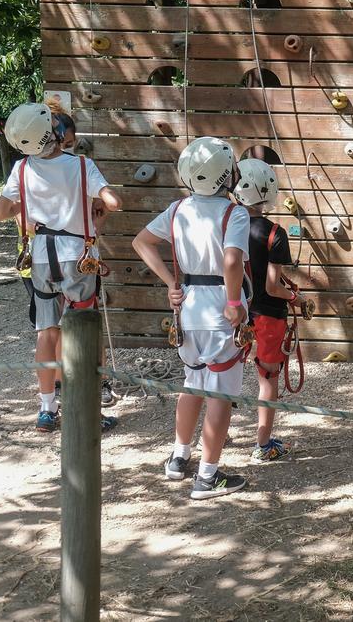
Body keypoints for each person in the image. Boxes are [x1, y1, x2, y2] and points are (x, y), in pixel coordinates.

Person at [0, 102, 122, 434]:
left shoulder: (21, 169)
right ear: (53, 132)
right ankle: (89, 407)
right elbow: (112, 202)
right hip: (76, 256)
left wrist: (32, 206)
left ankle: (47, 408)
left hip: (41, 255)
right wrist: (95, 206)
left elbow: (0, 212)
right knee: (84, 329)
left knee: (47, 333)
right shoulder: (80, 164)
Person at [132, 136, 251, 500]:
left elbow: (141, 242)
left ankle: (178, 458)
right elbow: (232, 260)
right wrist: (234, 301)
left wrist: (171, 282)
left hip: (188, 304)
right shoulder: (235, 213)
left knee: (193, 381)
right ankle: (207, 475)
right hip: (219, 306)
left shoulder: (178, 209)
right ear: (222, 176)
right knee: (219, 393)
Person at [233, 157, 304, 463]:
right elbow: (273, 286)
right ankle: (263, 444)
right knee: (268, 378)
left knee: (225, 374)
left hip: (237, 311)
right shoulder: (275, 234)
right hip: (268, 314)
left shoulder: (229, 226)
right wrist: (295, 298)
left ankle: (216, 439)